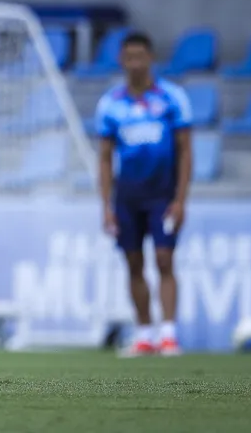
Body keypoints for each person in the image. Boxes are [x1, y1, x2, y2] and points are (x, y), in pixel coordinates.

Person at [95, 31, 193, 357]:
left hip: (162, 194)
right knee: (133, 262)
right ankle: (144, 334)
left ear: (150, 58)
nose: (135, 63)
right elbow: (106, 157)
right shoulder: (110, 104)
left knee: (164, 259)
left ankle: (168, 334)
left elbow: (185, 150)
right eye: (129, 57)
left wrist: (181, 200)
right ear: (122, 60)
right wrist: (106, 205)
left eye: (140, 56)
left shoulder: (172, 98)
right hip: (127, 196)